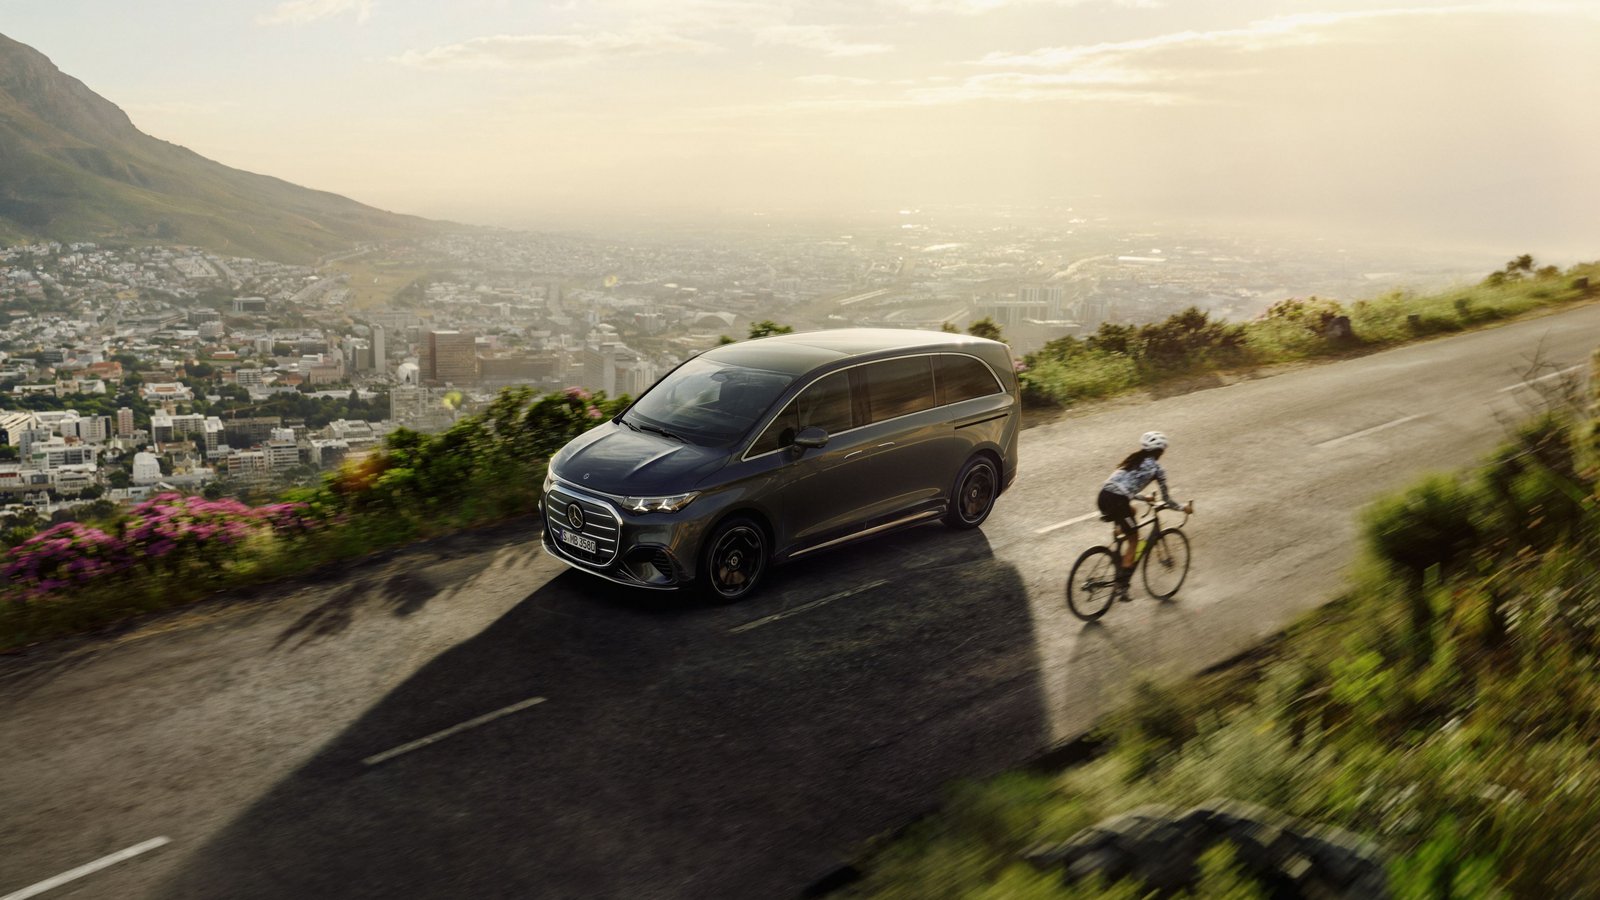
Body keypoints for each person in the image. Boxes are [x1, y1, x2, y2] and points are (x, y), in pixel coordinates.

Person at [1098, 431, 1182, 579]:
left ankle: (1120, 533)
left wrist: (1144, 498)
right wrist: (1183, 508)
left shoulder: (1133, 460)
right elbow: (1167, 500)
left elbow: (1123, 488)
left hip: (1103, 497)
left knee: (1132, 510)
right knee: (1134, 539)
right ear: (1160, 451)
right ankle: (1122, 584)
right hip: (1118, 501)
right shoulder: (1156, 469)